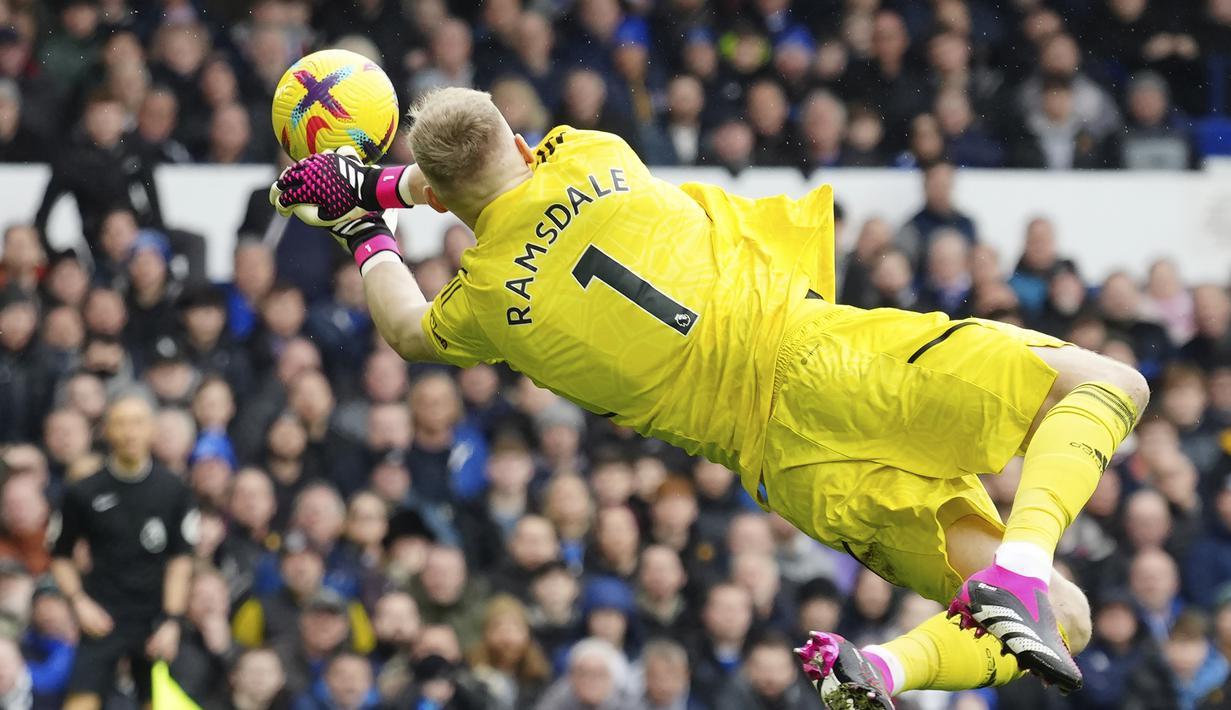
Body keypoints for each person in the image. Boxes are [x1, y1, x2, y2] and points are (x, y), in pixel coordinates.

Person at [270, 87, 1150, 708]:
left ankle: (881, 670)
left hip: (783, 467)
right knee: (1110, 383)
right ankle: (1020, 569)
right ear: (521, 137)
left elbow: (407, 328)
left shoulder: (486, 305)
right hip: (823, 364)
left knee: (1063, 623)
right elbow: (462, 175)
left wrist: (359, 222)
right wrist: (384, 185)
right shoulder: (594, 156)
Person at [49, 394, 195, 710]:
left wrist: (172, 620)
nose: (130, 433)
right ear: (107, 431)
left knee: (159, 701)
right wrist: (79, 602)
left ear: (152, 430)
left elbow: (181, 560)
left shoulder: (174, 490)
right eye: (121, 423)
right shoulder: (82, 491)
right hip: (103, 615)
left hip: (154, 618)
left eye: (138, 423)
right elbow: (59, 556)